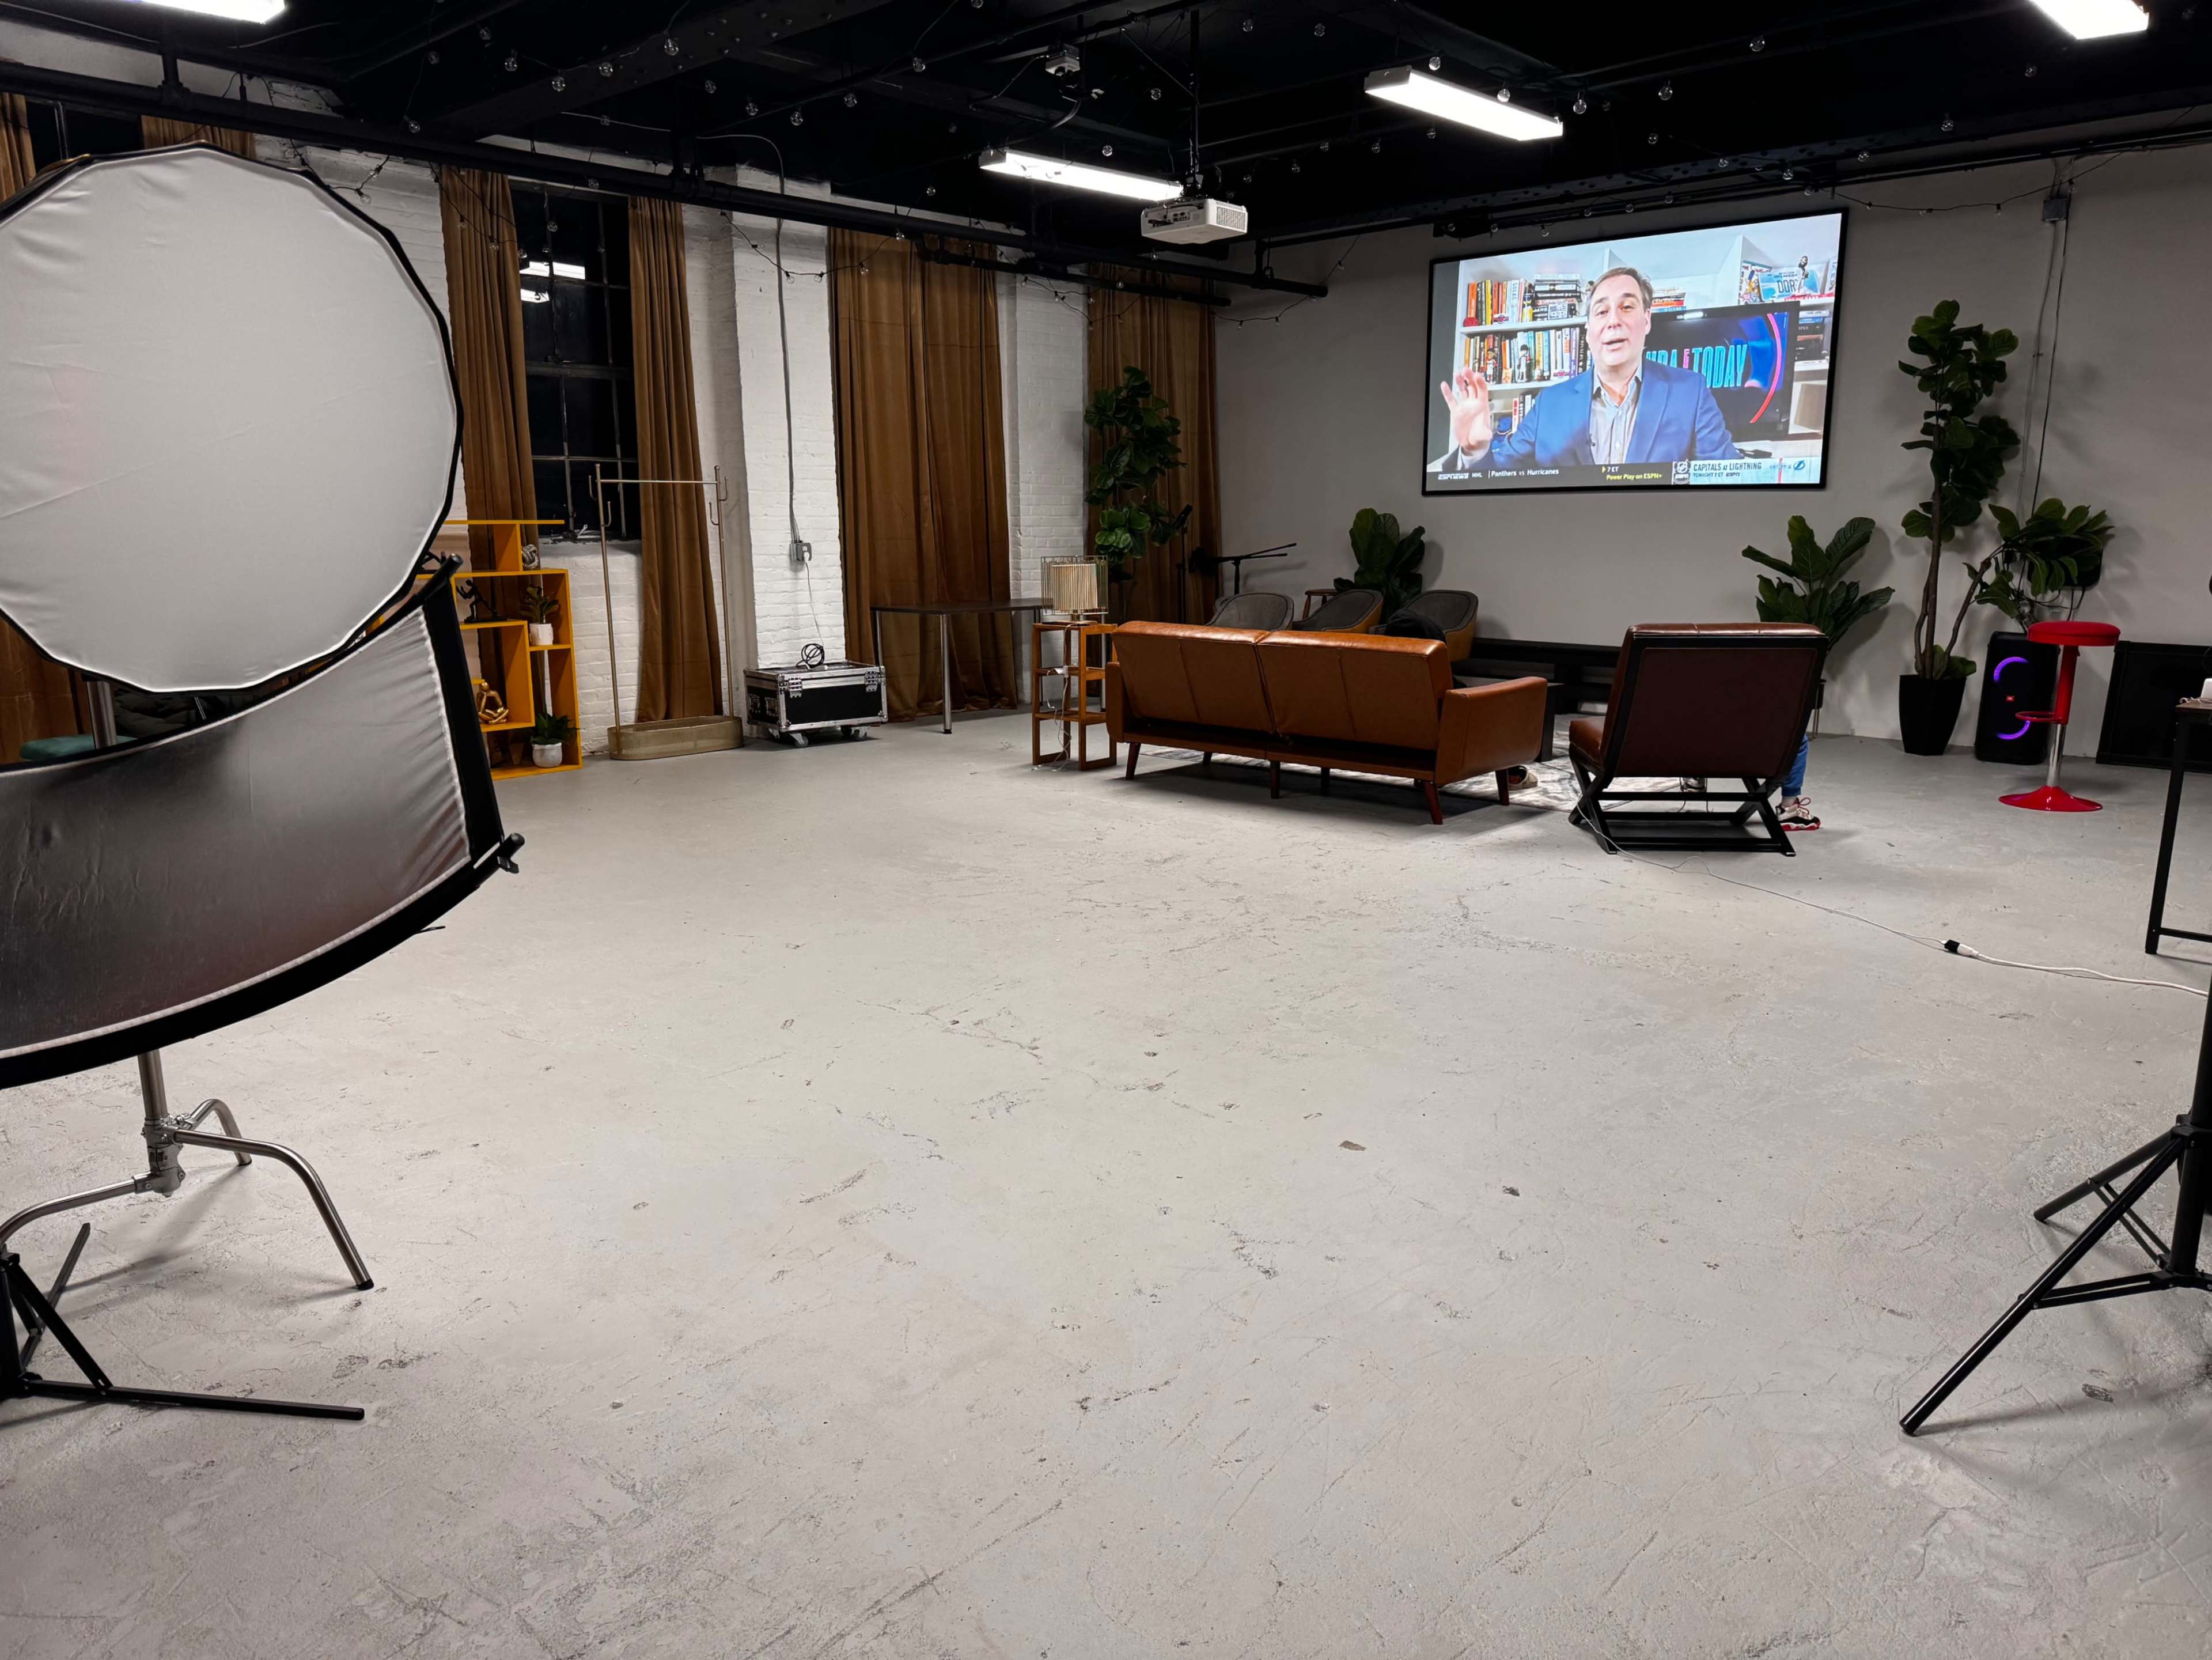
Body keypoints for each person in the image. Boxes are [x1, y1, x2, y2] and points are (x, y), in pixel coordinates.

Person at [1430, 266, 1742, 475]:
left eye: (1628, 307)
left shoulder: (1690, 390)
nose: (1614, 320)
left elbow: (1726, 477)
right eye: (1602, 311)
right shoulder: (1550, 403)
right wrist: (1474, 450)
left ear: (1647, 320)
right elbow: (1497, 477)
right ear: (1589, 329)